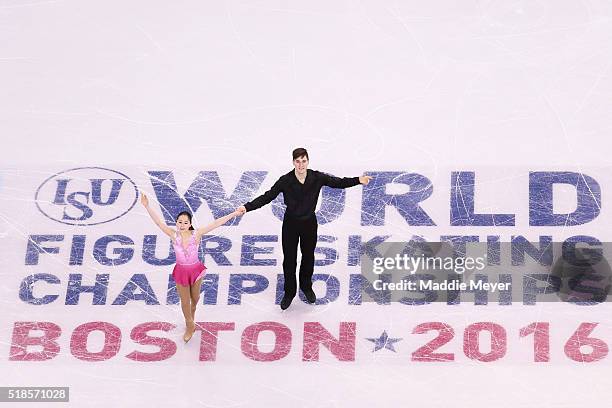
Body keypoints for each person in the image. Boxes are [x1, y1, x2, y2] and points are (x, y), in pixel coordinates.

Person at [236, 148, 372, 310]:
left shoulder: (317, 177)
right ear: (293, 162)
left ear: (308, 161)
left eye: (304, 161)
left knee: (308, 257)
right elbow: (268, 196)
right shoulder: (285, 180)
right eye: (297, 161)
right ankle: (289, 292)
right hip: (290, 225)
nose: (301, 164)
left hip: (309, 224)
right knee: (290, 260)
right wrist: (247, 207)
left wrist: (358, 180)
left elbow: (339, 183)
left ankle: (306, 287)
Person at [141, 193, 240, 342]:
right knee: (185, 300)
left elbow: (216, 223)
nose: (182, 225)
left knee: (195, 298)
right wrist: (147, 206)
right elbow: (159, 223)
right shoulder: (173, 235)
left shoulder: (197, 234)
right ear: (176, 223)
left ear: (190, 224)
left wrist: (234, 213)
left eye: (185, 222)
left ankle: (191, 316)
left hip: (195, 270)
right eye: (179, 222)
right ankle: (189, 324)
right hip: (181, 271)